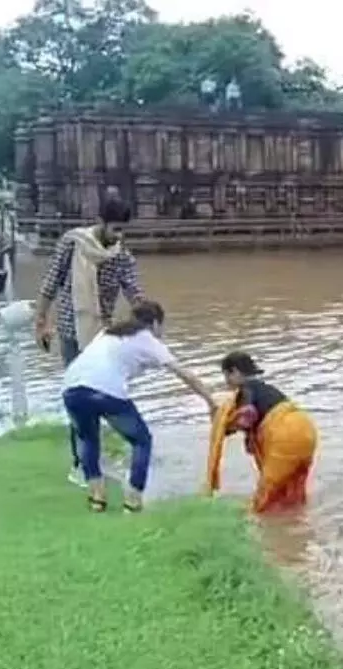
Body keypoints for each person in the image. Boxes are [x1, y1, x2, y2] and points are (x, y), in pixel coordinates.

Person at [61, 301, 217, 513]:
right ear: (154, 323)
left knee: (88, 439)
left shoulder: (108, 332)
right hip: (105, 389)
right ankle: (132, 501)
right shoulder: (148, 340)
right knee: (141, 440)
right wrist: (211, 401)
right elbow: (185, 375)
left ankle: (97, 499)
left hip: (71, 387)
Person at [35, 195, 145, 486]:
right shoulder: (72, 244)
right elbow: (50, 282)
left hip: (100, 337)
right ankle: (80, 465)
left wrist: (146, 324)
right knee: (80, 398)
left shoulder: (121, 257)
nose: (119, 236)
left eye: (123, 231)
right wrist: (41, 321)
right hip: (71, 333)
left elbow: (134, 293)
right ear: (101, 223)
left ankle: (91, 461)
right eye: (115, 229)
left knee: (101, 395)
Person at [206, 352, 318, 513]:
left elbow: (247, 416)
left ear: (235, 372)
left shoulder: (245, 389)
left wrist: (220, 423)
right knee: (294, 489)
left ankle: (270, 530)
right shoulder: (267, 389)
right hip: (306, 429)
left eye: (226, 376)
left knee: (263, 502)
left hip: (285, 435)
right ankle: (298, 524)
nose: (227, 382)